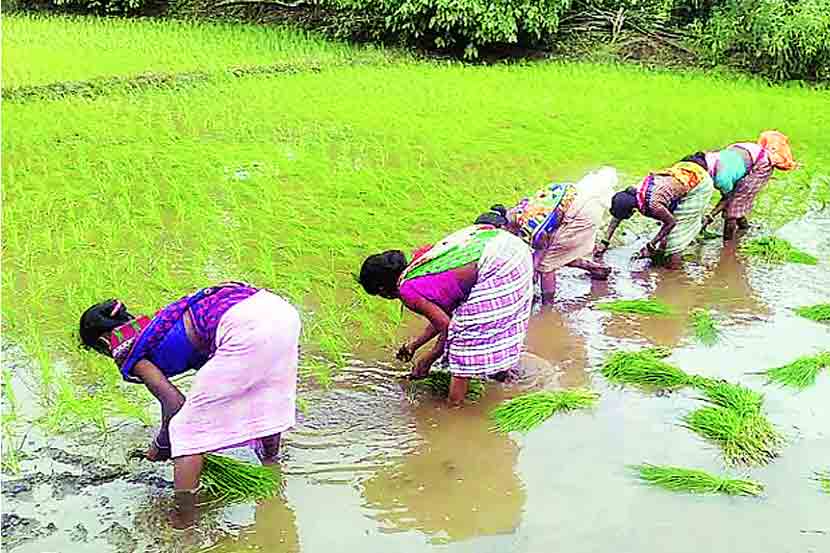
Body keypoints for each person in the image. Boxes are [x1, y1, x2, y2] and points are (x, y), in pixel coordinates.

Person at [79, 282, 300, 527]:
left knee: (186, 429)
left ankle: (184, 521)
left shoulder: (129, 350)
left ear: (102, 342)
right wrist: (160, 446)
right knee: (265, 396)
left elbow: (174, 404)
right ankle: (271, 466)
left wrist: (164, 443)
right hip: (279, 312)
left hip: (244, 325)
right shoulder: (155, 325)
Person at [358, 225, 533, 404]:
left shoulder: (407, 289)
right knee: (476, 324)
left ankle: (453, 407)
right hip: (508, 246)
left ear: (382, 289)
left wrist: (428, 359)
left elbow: (448, 327)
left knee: (464, 338)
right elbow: (441, 317)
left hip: (499, 265)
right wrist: (414, 345)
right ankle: (502, 374)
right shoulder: (419, 260)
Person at [474, 167, 616, 304]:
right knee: (556, 253)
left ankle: (548, 306)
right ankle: (596, 269)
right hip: (579, 201)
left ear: (505, 227)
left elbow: (541, 249)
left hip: (582, 214)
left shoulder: (531, 225)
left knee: (546, 265)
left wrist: (532, 273)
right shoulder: (515, 212)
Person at [594, 153, 714, 269]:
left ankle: (674, 268)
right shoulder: (633, 193)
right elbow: (617, 217)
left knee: (675, 237)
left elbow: (671, 222)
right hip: (684, 172)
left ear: (633, 210)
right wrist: (605, 242)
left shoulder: (653, 204)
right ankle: (661, 253)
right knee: (666, 232)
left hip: (700, 183)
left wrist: (650, 245)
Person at [701, 130, 796, 240]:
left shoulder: (765, 162)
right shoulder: (750, 149)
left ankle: (728, 244)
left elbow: (741, 191)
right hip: (738, 165)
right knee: (734, 202)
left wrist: (719, 209)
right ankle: (744, 226)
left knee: (733, 209)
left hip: (755, 171)